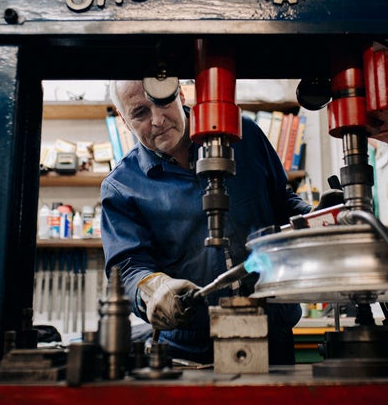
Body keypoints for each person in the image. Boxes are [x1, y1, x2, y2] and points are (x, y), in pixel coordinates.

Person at [99, 80, 313, 365]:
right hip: (189, 355)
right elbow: (127, 269)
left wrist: (317, 218)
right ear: (124, 120)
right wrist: (152, 289)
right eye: (140, 113)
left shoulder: (243, 134)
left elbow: (281, 201)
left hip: (275, 337)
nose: (158, 120)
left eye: (162, 102)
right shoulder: (121, 187)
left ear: (181, 93)